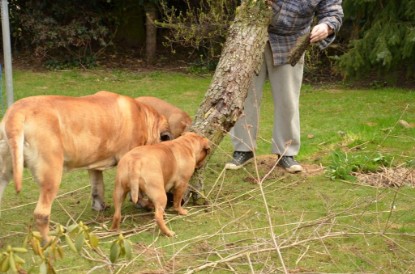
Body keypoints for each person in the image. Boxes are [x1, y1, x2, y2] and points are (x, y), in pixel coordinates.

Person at [225, 1, 344, 173]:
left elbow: (333, 12)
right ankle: (243, 149)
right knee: (245, 97)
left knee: (287, 101)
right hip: (253, 36)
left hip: (291, 42)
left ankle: (286, 153)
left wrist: (326, 26)